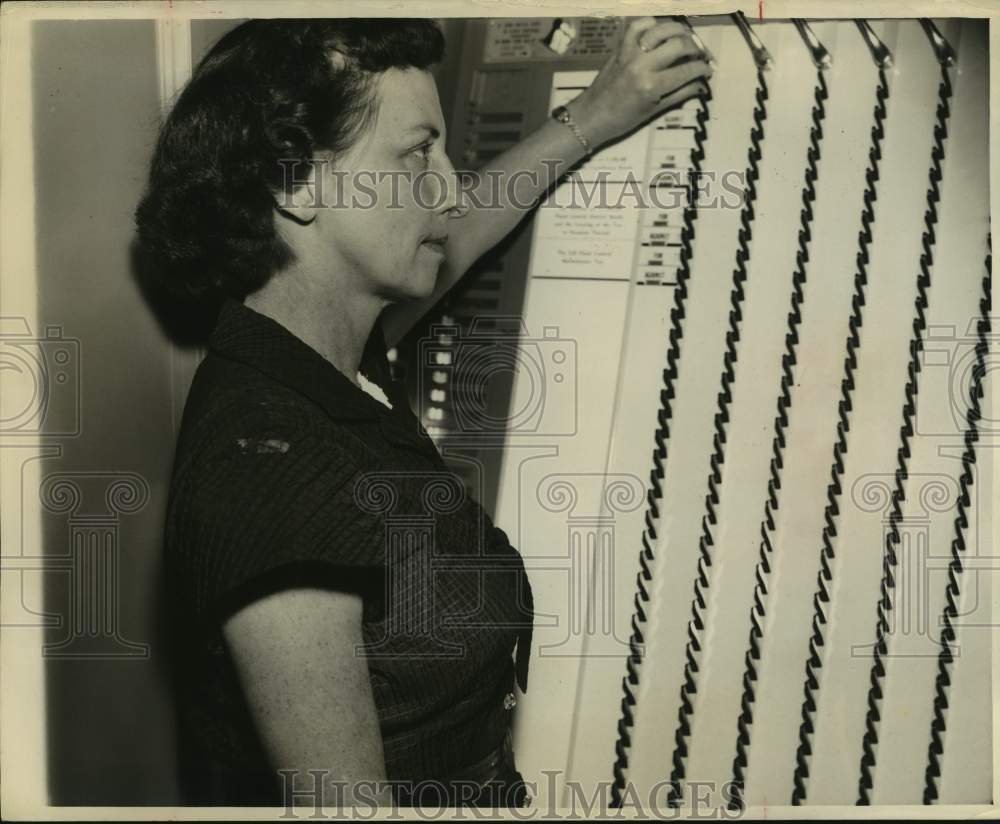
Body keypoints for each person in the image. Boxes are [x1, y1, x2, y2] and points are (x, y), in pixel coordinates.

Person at [136, 16, 710, 810]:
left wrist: (601, 112)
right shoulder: (269, 469)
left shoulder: (320, 355)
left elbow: (462, 229)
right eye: (416, 155)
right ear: (298, 181)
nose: (445, 183)